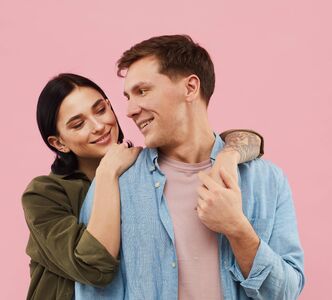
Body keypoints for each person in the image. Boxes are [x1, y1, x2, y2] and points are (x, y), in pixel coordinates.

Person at [76, 35, 305, 299]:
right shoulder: (115, 183)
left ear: (190, 88)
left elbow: (286, 292)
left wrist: (237, 229)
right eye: (128, 96)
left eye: (142, 91)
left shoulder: (266, 181)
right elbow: (94, 292)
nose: (129, 110)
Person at [22, 73, 263, 300]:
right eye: (78, 124)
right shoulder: (44, 194)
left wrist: (228, 155)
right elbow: (94, 267)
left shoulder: (145, 169)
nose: (98, 126)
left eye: (101, 109)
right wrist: (107, 172)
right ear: (59, 143)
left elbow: (243, 140)